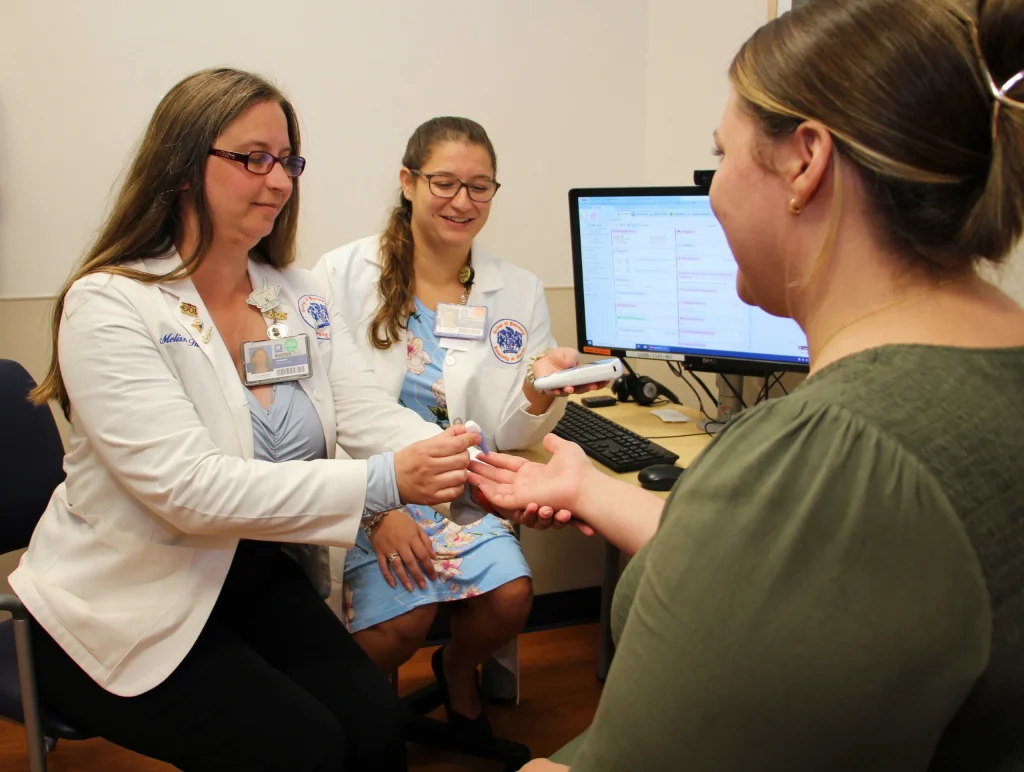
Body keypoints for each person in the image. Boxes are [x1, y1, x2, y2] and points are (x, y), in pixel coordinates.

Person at [468, 0, 1024, 769]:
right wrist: (589, 490)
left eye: (721, 154)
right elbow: (798, 570)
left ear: (806, 162)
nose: (713, 191)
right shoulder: (983, 381)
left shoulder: (836, 454)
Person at [9, 68, 482, 772]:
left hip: (251, 574)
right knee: (303, 748)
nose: (280, 180)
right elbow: (190, 492)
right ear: (180, 165)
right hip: (125, 599)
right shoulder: (109, 305)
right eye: (251, 158)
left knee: (376, 723)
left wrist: (468, 461)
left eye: (287, 160)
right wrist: (386, 483)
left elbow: (362, 412)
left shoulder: (297, 294)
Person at [313, 117, 604, 733]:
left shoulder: (516, 291)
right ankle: (355, 725)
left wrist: (537, 387)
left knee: (511, 598)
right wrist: (376, 508)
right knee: (403, 620)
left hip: (458, 493)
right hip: (372, 486)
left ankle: (456, 666)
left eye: (480, 187)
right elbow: (326, 414)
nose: (462, 202)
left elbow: (512, 435)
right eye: (444, 183)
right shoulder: (339, 276)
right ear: (408, 182)